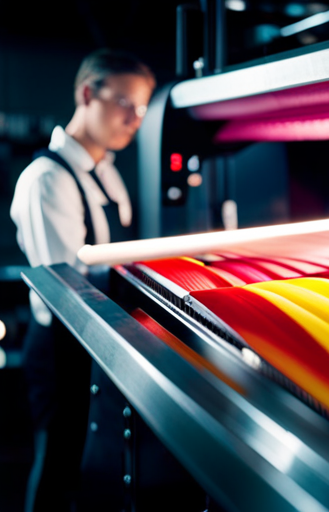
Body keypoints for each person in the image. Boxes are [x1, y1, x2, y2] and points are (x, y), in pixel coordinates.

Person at [11, 49, 208, 512]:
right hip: (62, 348)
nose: (135, 119)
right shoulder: (46, 179)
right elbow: (68, 288)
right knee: (57, 461)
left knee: (88, 465)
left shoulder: (107, 173)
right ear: (87, 94)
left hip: (95, 345)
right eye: (124, 103)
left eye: (141, 108)